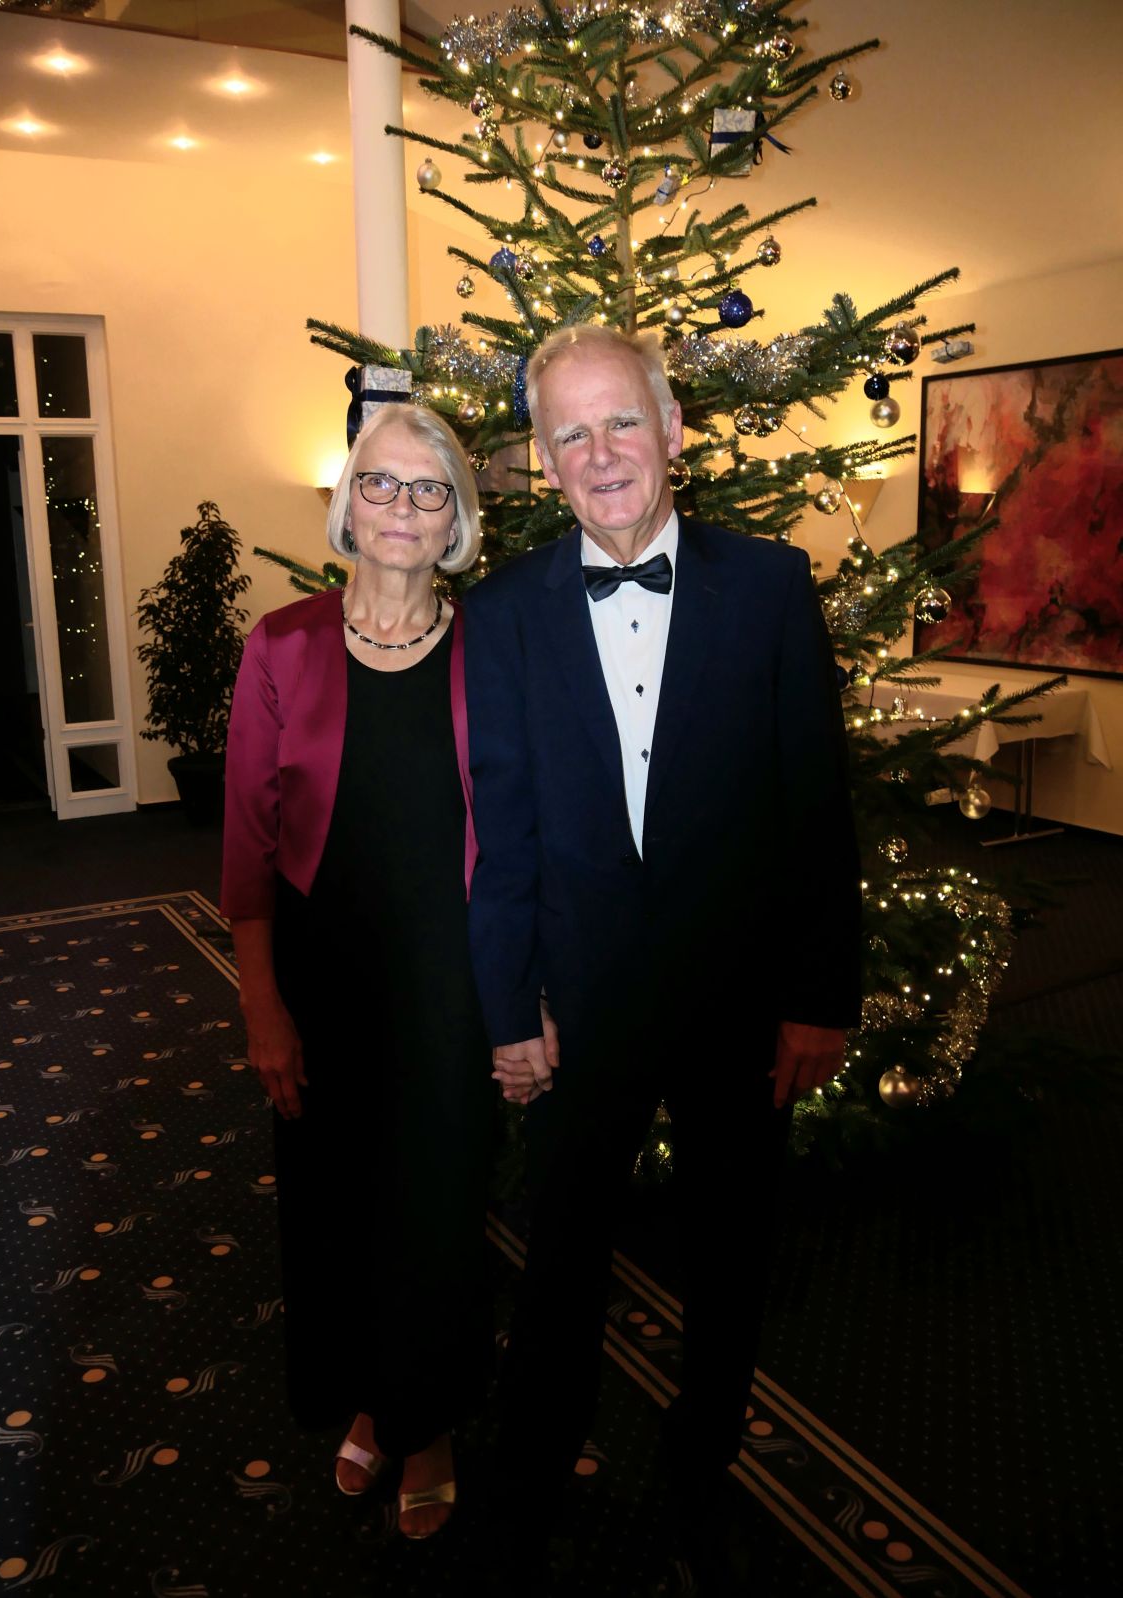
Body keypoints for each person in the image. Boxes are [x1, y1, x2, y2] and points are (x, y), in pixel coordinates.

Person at [463, 325, 862, 1591]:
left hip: (737, 1004)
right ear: (544, 459)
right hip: (577, 1011)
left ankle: (702, 1478)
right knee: (558, 1265)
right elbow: (503, 832)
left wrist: (818, 997)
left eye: (621, 420)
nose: (601, 453)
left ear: (673, 428)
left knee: (731, 1260)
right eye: (570, 433)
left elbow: (814, 805)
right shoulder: (505, 611)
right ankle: (530, 1489)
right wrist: (508, 1007)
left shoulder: (771, 585)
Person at [221, 402, 494, 1541]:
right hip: (323, 981)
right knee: (336, 1204)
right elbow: (247, 845)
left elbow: (529, 833)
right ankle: (373, 1401)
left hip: (451, 984)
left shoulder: (494, 647)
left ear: (457, 521)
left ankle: (427, 1421)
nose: (401, 508)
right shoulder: (281, 645)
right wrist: (263, 1002)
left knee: (436, 1207)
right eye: (380, 483)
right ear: (346, 505)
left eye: (429, 490)